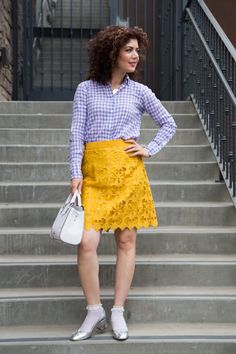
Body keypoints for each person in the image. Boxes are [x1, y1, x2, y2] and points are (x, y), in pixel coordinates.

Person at [69, 25, 177, 341]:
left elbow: (169, 124)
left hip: (128, 175)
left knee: (126, 241)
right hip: (94, 174)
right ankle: (94, 310)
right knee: (86, 241)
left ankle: (117, 310)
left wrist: (149, 148)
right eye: (128, 49)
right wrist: (75, 173)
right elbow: (76, 133)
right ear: (111, 52)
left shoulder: (140, 92)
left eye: (137, 50)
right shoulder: (85, 90)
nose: (135, 56)